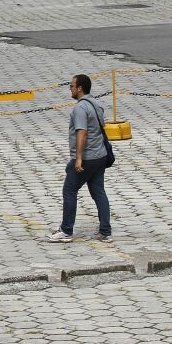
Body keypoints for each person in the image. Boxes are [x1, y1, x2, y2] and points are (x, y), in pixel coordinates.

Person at [49, 74, 113, 243]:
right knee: (98, 191)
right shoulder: (97, 104)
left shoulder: (80, 109)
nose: (70, 88)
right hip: (100, 156)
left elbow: (82, 133)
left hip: (87, 158)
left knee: (69, 190)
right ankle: (105, 232)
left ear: (80, 88)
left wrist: (78, 159)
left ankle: (66, 230)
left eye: (72, 86)